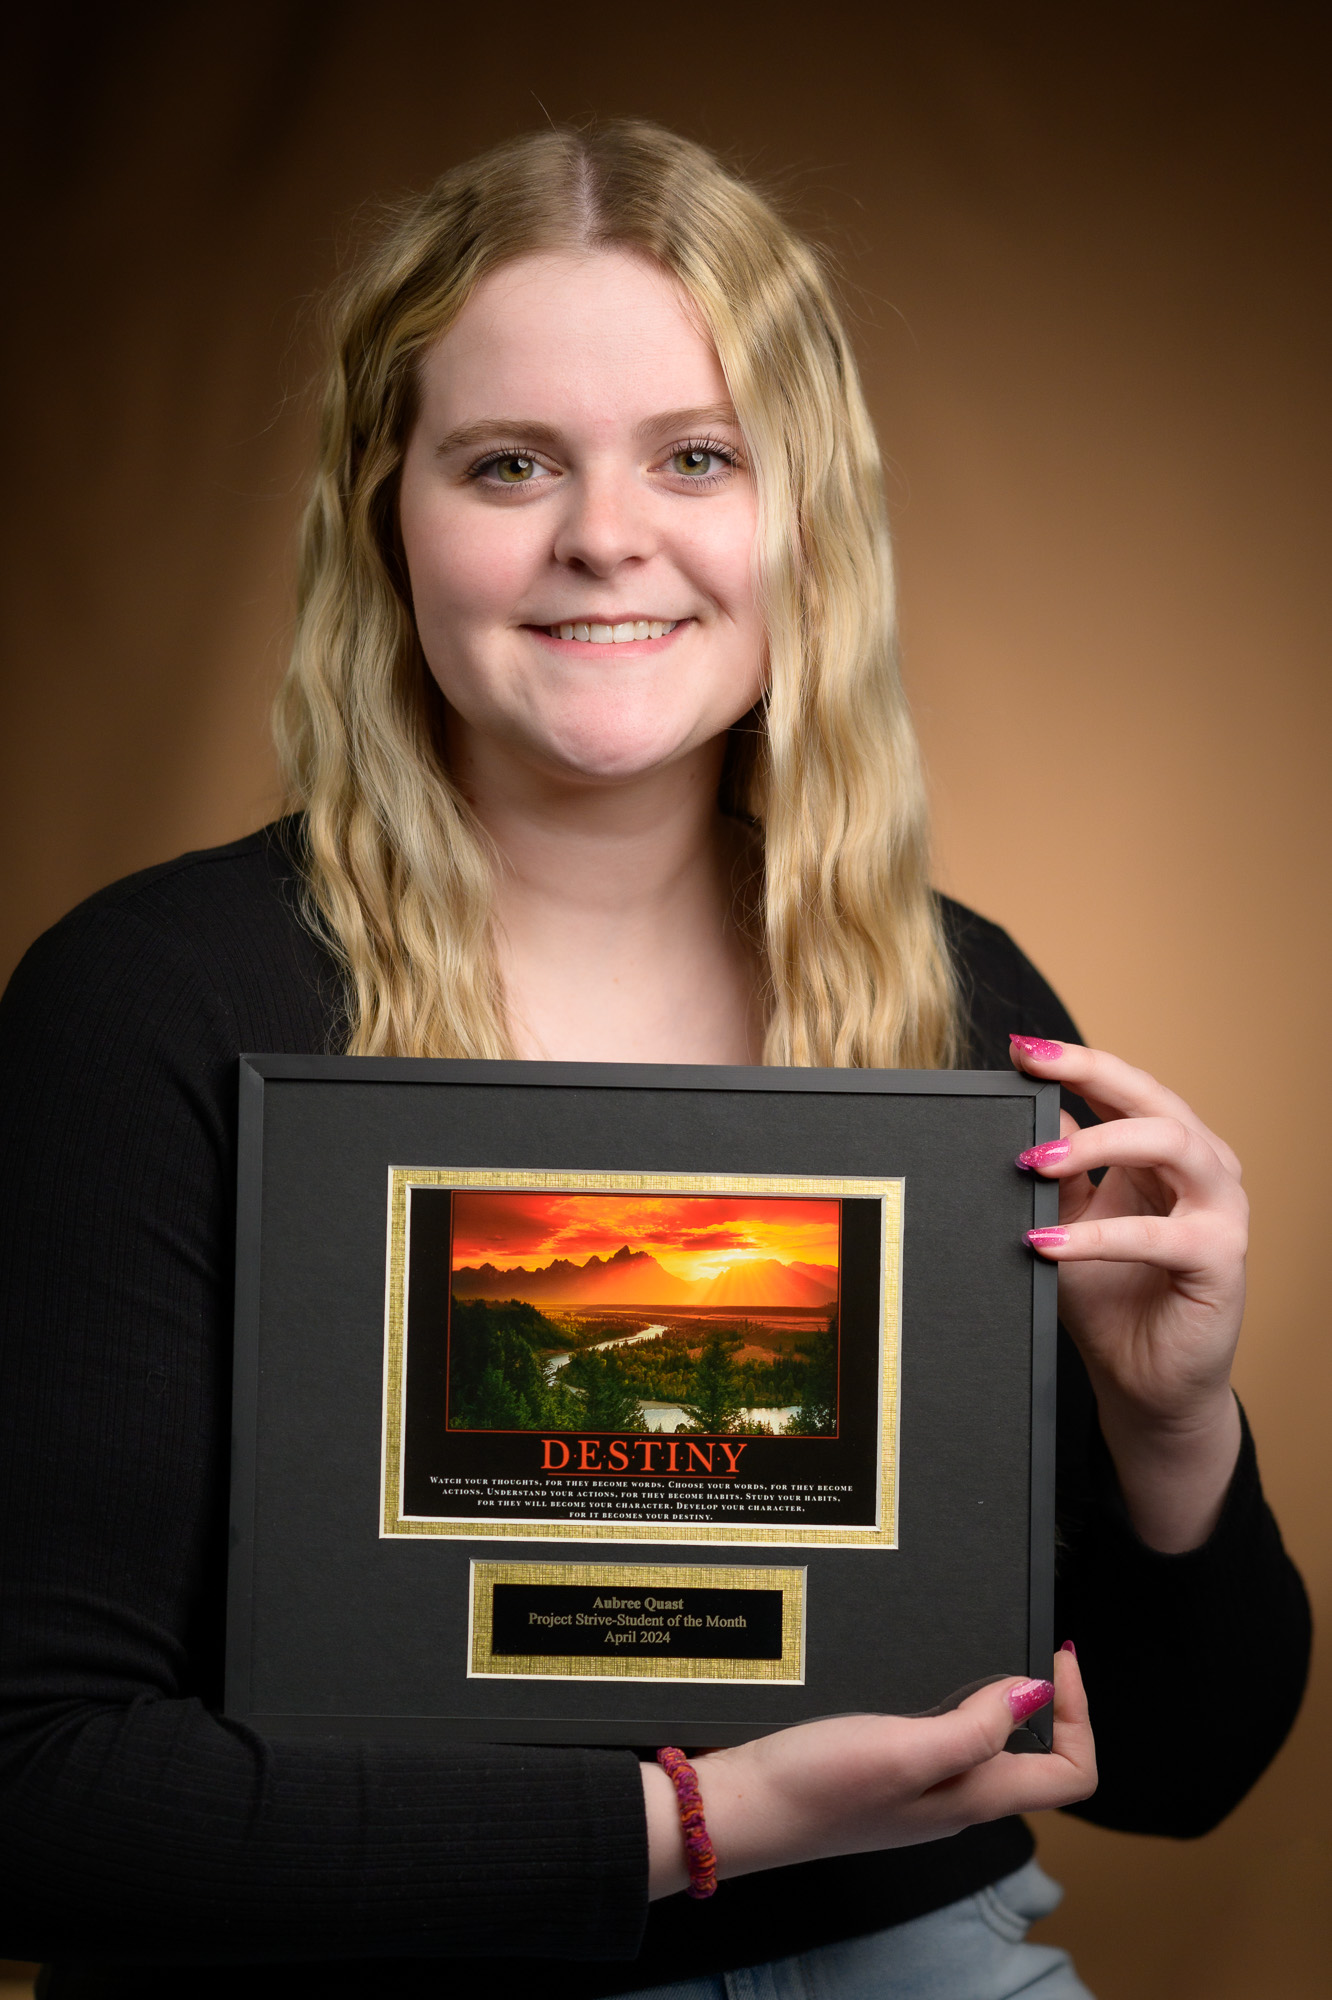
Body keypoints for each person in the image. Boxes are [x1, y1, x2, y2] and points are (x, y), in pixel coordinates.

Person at [0, 121, 1309, 2000]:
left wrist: (1173, 1427)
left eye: (697, 458)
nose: (604, 535)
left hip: (906, 1952)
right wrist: (703, 1830)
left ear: (807, 516)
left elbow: (1183, 1778)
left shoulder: (961, 1006)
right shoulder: (150, 1007)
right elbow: (37, 1796)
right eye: (509, 463)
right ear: (390, 513)